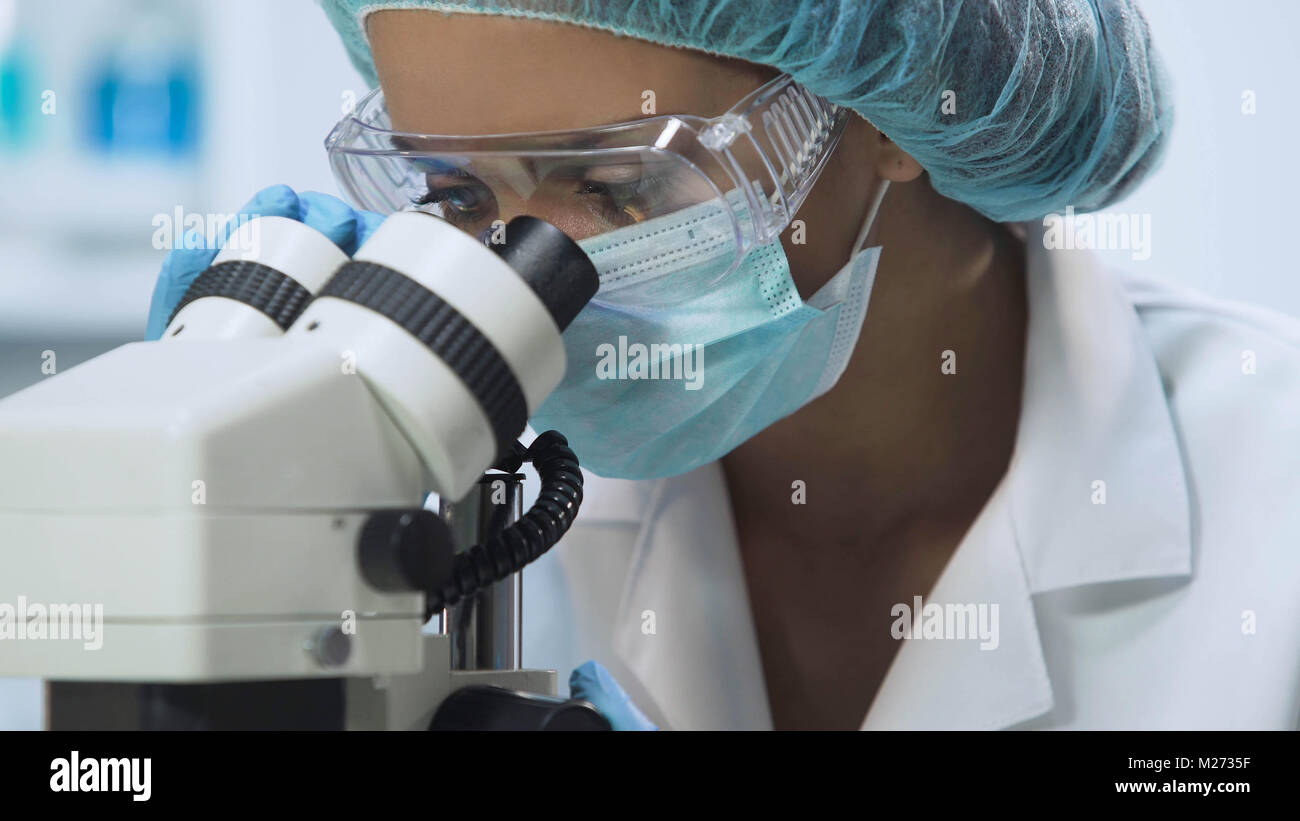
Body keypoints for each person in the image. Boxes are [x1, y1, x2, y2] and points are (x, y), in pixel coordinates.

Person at [147, 1, 1300, 730]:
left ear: (892, 109)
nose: (512, 275)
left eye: (613, 187)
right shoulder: (444, 509)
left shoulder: (1273, 491)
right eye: (452, 195)